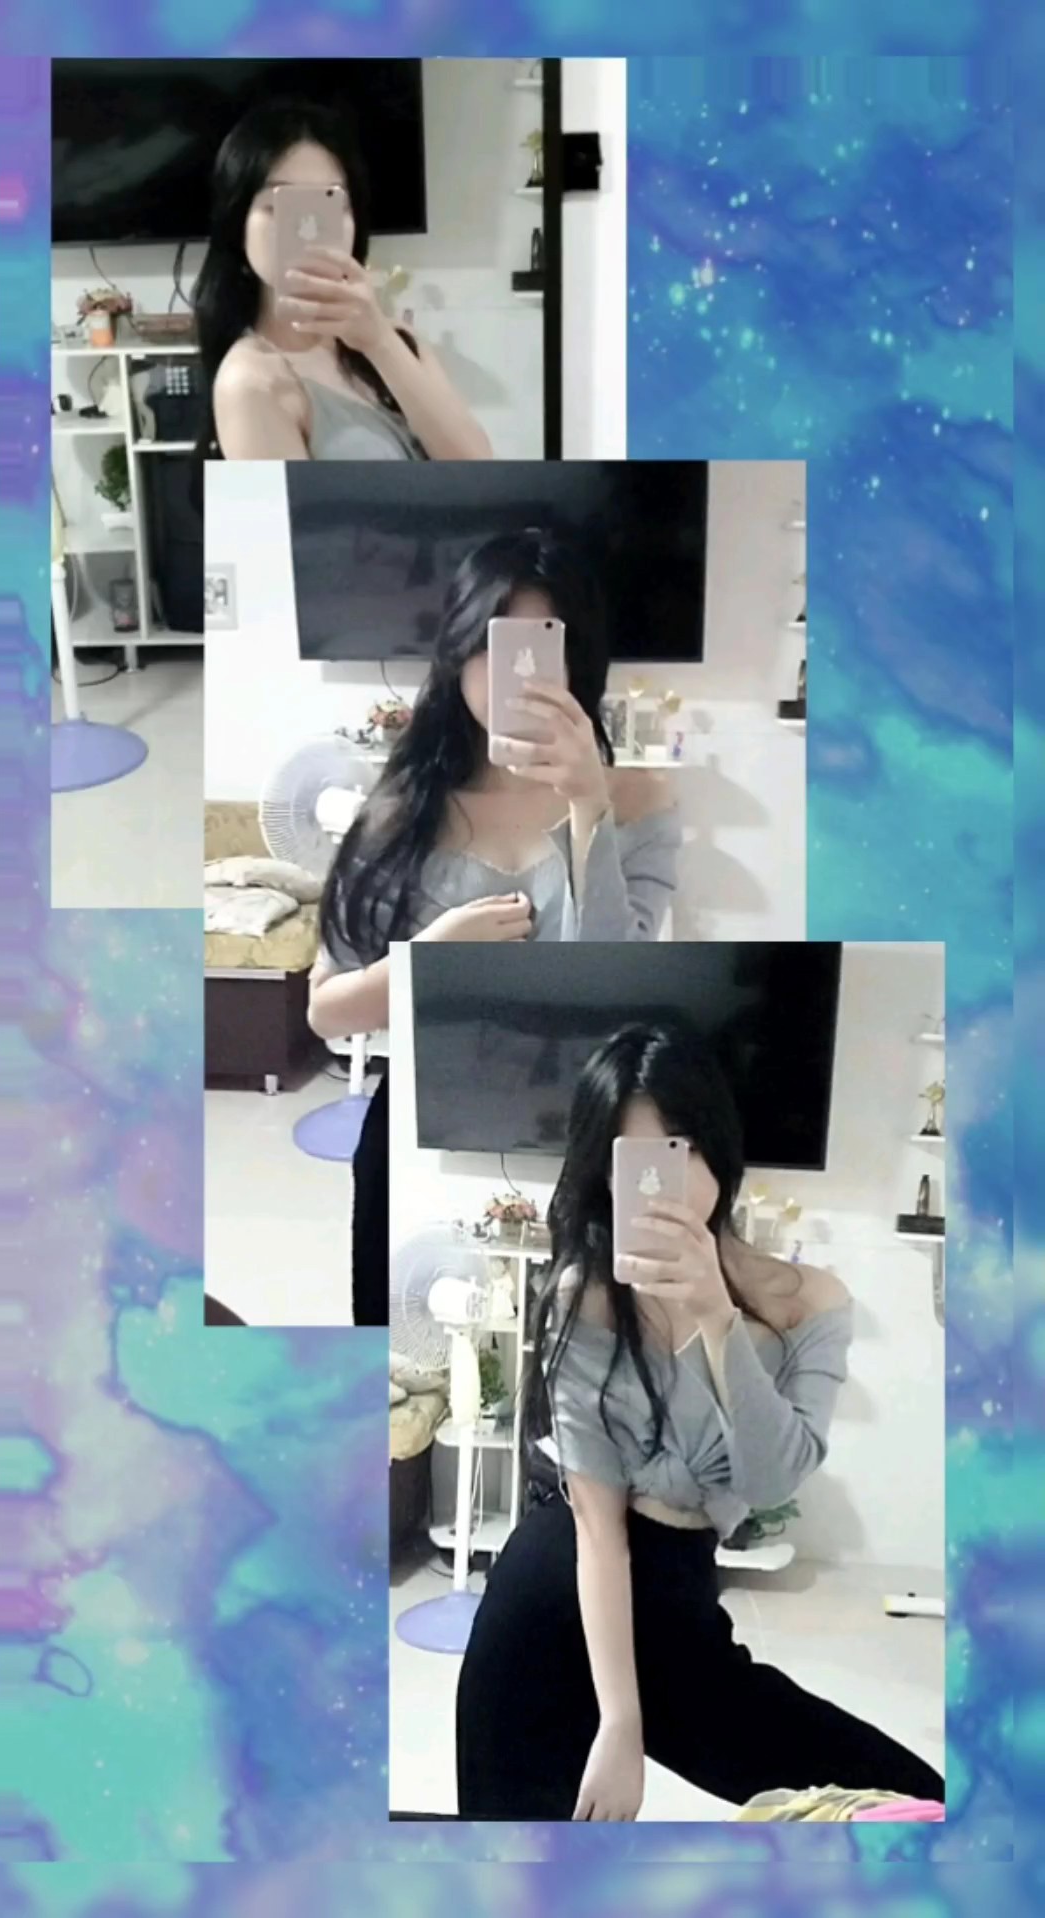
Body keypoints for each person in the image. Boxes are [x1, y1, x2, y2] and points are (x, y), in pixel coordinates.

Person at [455, 1023, 945, 1820]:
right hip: (557, 1608)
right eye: (637, 1162)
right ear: (606, 1173)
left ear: (717, 1147)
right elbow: (597, 1529)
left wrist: (714, 1318)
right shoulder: (584, 1297)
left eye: (679, 1150)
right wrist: (620, 1722)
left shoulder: (808, 1303)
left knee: (908, 1800)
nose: (666, 1187)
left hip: (680, 1604)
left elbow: (771, 1478)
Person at [308, 531, 683, 1326]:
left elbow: (612, 981)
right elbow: (326, 1010)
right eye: (493, 645)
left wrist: (588, 805)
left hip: (586, 1140)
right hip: (418, 1132)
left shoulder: (640, 801)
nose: (516, 676)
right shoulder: (401, 811)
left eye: (544, 648)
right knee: (395, 1346)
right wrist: (430, 958)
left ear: (581, 659)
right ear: (456, 652)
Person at [193, 99, 491, 462]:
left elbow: (478, 469)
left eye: (330, 204)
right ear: (237, 225)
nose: (307, 228)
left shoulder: (400, 341)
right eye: (280, 206)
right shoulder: (251, 381)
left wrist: (380, 342)